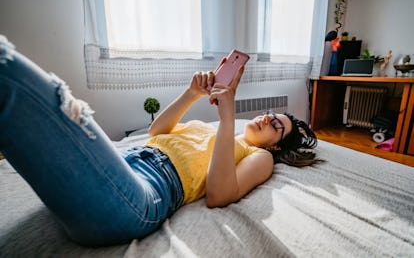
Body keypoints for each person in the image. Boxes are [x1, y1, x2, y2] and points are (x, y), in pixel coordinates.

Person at [0, 35, 321, 246]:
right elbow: (156, 133)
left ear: (276, 145)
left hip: (144, 193)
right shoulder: (211, 129)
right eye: (270, 114)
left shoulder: (259, 156)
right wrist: (192, 93)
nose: (267, 118)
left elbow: (220, 195)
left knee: (10, 74)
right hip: (132, 160)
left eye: (276, 126)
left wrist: (227, 119)